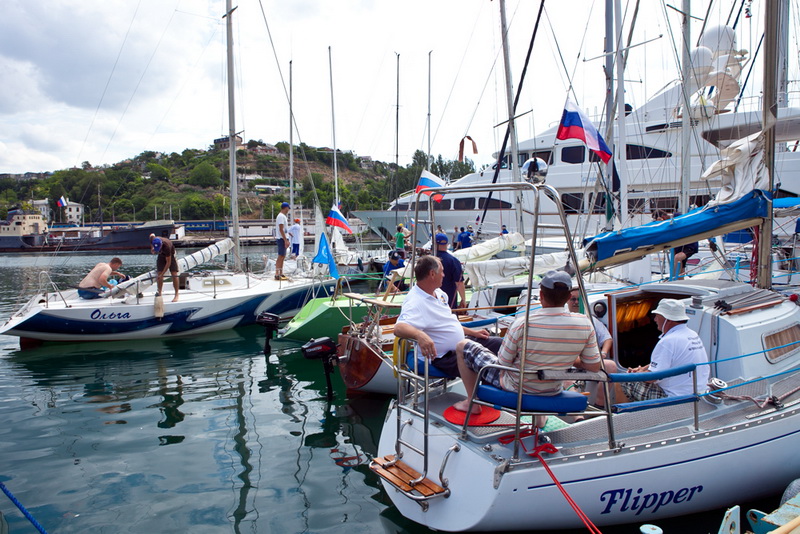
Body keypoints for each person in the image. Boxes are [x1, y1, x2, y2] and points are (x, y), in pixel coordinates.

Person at [453, 271, 602, 424]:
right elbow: (593, 366)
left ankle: (471, 402)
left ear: (542, 296)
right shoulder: (585, 324)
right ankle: (539, 418)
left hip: (516, 387)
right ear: (568, 297)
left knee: (463, 346)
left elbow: (503, 364)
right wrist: (569, 357)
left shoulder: (522, 323)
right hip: (552, 388)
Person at [394, 255, 501, 377]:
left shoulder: (440, 294)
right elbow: (399, 328)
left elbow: (447, 323)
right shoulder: (415, 302)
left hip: (461, 345)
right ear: (432, 274)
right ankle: (501, 384)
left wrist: (473, 332)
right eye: (442, 271)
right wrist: (420, 335)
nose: (444, 275)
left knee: (498, 343)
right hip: (443, 357)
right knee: (484, 361)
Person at [617, 299, 709, 402]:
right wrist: (642, 369)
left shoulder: (668, 341)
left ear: (667, 319)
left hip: (674, 397)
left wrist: (634, 375)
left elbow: (652, 378)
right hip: (698, 391)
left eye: (657, 316)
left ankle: (625, 414)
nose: (655, 319)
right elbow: (667, 363)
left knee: (623, 379)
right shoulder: (692, 334)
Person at [569, 288, 612, 358]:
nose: (576, 302)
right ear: (567, 300)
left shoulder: (591, 320)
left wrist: (603, 353)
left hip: (589, 361)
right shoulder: (562, 320)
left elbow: (607, 338)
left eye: (579, 299)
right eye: (573, 299)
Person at [653, 210, 697, 278]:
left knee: (678, 258)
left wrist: (664, 224)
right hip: (677, 246)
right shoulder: (666, 224)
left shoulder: (676, 216)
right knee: (679, 266)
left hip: (689, 245)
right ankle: (680, 282)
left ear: (663, 217)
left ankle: (674, 278)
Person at [434, 233, 466, 309]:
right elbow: (459, 283)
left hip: (431, 299)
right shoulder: (453, 261)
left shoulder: (428, 260)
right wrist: (463, 299)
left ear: (434, 243)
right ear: (447, 244)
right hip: (449, 301)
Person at [150, 234, 179, 302]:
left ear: (161, 244)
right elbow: (151, 235)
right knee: (159, 273)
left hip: (170, 255)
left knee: (174, 273)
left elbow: (168, 262)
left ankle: (176, 294)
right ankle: (159, 292)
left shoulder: (167, 247)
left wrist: (163, 274)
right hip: (161, 254)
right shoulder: (153, 239)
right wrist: (152, 248)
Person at [275, 202, 290, 280]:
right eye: (288, 208)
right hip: (281, 238)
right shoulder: (281, 216)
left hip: (283, 238)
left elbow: (284, 229)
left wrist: (287, 238)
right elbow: (281, 229)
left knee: (283, 256)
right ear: (286, 208)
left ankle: (281, 272)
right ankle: (277, 273)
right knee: (280, 256)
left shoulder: (283, 216)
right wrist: (285, 240)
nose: (289, 210)